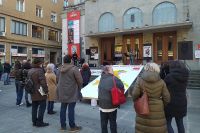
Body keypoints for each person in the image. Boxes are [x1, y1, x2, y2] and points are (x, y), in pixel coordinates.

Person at [132, 63, 170, 133]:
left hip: (143, 107)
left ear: (146, 68)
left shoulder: (140, 80)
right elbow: (167, 98)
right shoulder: (161, 82)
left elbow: (134, 94)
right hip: (158, 108)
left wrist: (137, 102)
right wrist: (161, 104)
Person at [57, 55, 83, 132]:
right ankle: (72, 127)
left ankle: (63, 126)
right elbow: (80, 81)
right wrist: (79, 87)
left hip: (62, 91)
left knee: (63, 108)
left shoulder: (60, 68)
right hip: (72, 91)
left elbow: (57, 79)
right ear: (71, 60)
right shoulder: (74, 68)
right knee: (71, 109)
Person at [164, 60, 189, 133]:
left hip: (170, 102)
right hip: (182, 102)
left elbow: (164, 86)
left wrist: (164, 70)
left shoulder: (169, 77)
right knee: (180, 123)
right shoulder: (185, 76)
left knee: (168, 123)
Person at [98, 65, 124, 133]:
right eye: (112, 69)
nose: (113, 71)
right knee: (112, 122)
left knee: (103, 123)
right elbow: (122, 86)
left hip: (102, 104)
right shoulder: (114, 78)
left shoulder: (101, 78)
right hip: (111, 104)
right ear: (109, 71)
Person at [28, 58, 49, 127]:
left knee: (34, 107)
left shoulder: (30, 70)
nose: (41, 64)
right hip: (40, 92)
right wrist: (46, 90)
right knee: (42, 107)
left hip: (32, 91)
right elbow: (43, 82)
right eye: (41, 63)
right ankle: (40, 122)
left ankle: (34, 121)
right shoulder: (39, 71)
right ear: (39, 63)